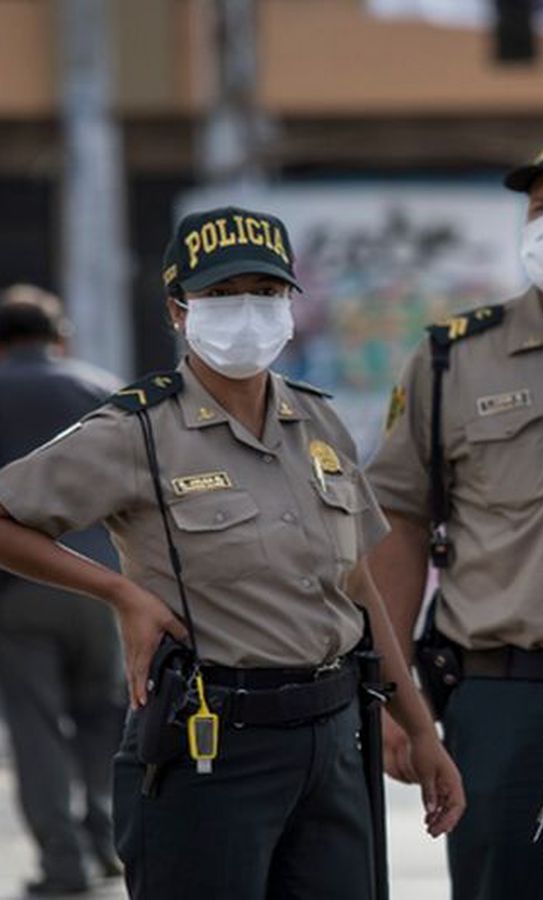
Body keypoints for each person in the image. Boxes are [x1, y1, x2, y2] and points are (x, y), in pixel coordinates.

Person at [0, 206, 465, 900]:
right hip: (209, 747)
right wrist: (120, 593)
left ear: (288, 305)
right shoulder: (139, 431)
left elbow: (358, 587)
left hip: (334, 741)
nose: (246, 311)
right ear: (179, 310)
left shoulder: (317, 420)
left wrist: (420, 731)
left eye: (265, 291)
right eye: (221, 294)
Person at [367, 132, 543, 900]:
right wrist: (397, 695)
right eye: (540, 207)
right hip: (506, 695)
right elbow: (397, 521)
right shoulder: (454, 357)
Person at [0, 288, 126, 896]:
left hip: (17, 588)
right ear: (61, 337)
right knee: (105, 717)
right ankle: (107, 842)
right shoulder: (102, 389)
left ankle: (63, 864)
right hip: (104, 585)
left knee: (36, 724)